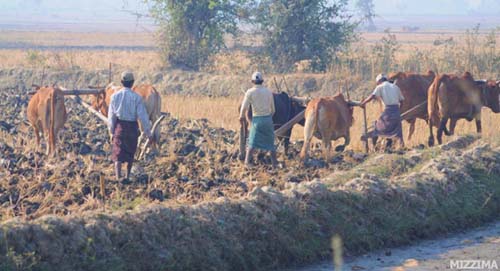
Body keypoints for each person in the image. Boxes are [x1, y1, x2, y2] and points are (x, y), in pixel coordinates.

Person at [108, 71, 153, 180]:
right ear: (132, 83)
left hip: (120, 127)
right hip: (132, 127)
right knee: (130, 153)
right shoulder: (137, 98)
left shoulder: (114, 97)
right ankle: (127, 177)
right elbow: (143, 117)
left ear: (121, 82)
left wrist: (112, 131)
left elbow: (111, 116)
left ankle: (118, 177)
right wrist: (148, 132)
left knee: (118, 153)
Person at [239, 71, 278, 168]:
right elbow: (273, 110)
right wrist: (268, 118)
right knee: (270, 143)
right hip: (268, 119)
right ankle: (274, 164)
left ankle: (247, 162)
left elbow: (244, 108)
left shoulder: (250, 92)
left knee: (252, 142)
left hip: (257, 120)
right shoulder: (268, 92)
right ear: (262, 81)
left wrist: (241, 117)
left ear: (252, 81)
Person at [360, 73, 405, 148]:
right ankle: (402, 147)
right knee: (398, 132)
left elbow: (372, 96)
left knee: (377, 129)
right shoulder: (395, 86)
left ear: (379, 81)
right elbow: (402, 101)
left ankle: (374, 147)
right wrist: (399, 111)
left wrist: (363, 103)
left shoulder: (380, 87)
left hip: (388, 112)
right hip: (396, 111)